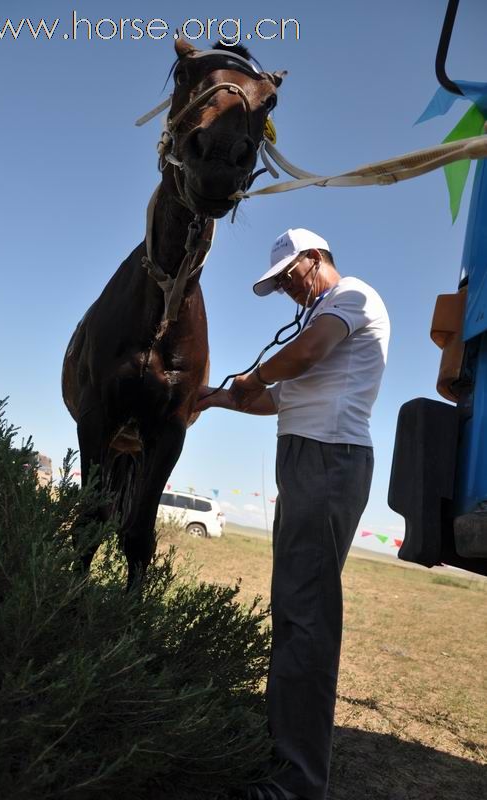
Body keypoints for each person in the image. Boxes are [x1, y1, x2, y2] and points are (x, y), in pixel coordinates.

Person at [195, 228, 390, 800]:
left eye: (287, 279)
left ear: (315, 259)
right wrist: (216, 396)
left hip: (329, 460)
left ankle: (296, 783)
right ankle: (282, 755)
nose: (286, 292)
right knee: (296, 610)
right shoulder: (318, 320)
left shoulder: (352, 296)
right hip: (309, 458)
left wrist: (253, 376)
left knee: (307, 617)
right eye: (278, 286)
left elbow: (301, 358)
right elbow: (276, 397)